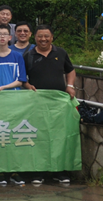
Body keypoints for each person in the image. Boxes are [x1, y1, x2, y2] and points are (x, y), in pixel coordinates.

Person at [23, 24, 75, 185]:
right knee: (39, 136)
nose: (43, 39)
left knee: (59, 136)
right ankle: (39, 171)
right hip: (37, 103)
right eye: (40, 36)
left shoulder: (61, 53)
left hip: (58, 104)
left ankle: (60, 171)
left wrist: (70, 85)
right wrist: (27, 86)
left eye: (46, 36)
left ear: (52, 37)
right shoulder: (28, 55)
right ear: (35, 37)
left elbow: (70, 70)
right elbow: (22, 78)